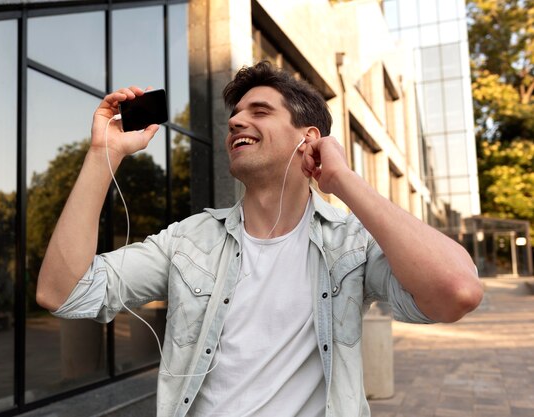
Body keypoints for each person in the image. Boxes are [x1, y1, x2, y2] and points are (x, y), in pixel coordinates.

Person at [36, 61, 482, 417]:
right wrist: (103, 155)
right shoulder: (188, 241)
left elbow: (457, 291)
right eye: (234, 115)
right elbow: (63, 292)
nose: (235, 122)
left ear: (308, 139)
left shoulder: (351, 245)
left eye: (259, 112)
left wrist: (343, 180)